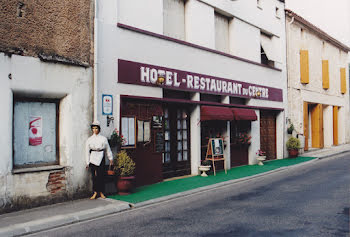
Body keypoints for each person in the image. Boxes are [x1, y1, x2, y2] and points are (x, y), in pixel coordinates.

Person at [85, 121, 113, 200]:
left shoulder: (103, 139)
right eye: (93, 128)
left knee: (101, 175)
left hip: (101, 157)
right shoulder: (89, 140)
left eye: (96, 128)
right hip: (93, 157)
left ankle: (101, 192)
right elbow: (86, 151)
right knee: (94, 176)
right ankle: (95, 192)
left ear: (99, 129)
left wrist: (110, 158)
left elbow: (108, 149)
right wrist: (87, 162)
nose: (95, 130)